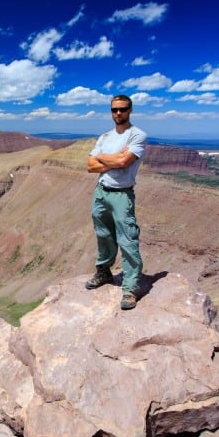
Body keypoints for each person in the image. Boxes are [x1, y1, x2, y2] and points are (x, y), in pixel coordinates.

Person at [85, 94, 146, 310]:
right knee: (103, 235)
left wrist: (103, 158)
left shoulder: (137, 135)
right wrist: (112, 160)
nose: (118, 113)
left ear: (130, 110)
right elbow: (90, 166)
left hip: (122, 194)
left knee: (127, 240)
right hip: (101, 192)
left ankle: (129, 289)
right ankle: (104, 272)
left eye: (123, 109)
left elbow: (123, 161)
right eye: (114, 110)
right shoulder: (105, 136)